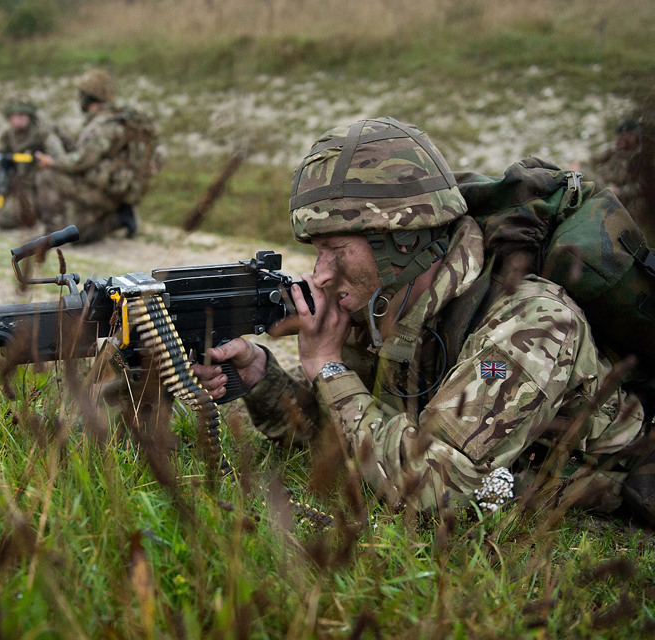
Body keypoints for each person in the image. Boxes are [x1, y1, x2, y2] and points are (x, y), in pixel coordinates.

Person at [191, 117, 647, 516]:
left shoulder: (531, 323)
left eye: (336, 251)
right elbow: (351, 442)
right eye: (317, 251)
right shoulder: (386, 304)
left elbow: (434, 487)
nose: (321, 275)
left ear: (401, 242)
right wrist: (261, 377)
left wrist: (327, 367)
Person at [34, 69, 159, 244]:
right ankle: (120, 217)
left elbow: (81, 162)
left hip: (102, 192)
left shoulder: (102, 125)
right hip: (122, 191)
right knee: (80, 236)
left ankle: (51, 234)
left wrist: (51, 162)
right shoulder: (123, 118)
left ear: (87, 97)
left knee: (46, 176)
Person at [0, 101, 66, 229]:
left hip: (32, 187)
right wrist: (4, 159)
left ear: (29, 117)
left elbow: (59, 159)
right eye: (12, 116)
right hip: (13, 180)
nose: (16, 120)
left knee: (5, 221)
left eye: (21, 116)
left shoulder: (43, 134)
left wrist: (42, 161)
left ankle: (37, 214)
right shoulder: (8, 133)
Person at [584, 118, 650, 241]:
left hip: (623, 197)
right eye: (619, 135)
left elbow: (643, 186)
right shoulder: (612, 150)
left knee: (640, 205)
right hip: (603, 187)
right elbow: (591, 160)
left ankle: (631, 239)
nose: (620, 139)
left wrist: (620, 191)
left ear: (634, 136)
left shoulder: (642, 157)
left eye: (625, 136)